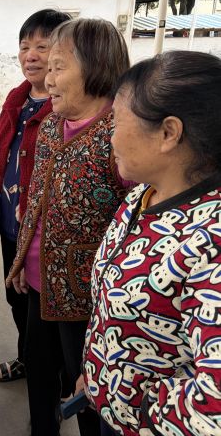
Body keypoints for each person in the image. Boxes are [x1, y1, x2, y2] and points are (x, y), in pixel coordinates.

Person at [81, 51, 221, 436]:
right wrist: (97, 374)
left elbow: (213, 409)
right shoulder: (143, 196)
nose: (109, 137)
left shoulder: (210, 242)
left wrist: (136, 405)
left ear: (168, 133)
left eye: (116, 122)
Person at [7, 18, 131, 436]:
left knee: (89, 390)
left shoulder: (121, 136)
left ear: (97, 68)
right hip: (38, 283)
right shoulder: (50, 126)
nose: (48, 78)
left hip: (87, 300)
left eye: (59, 67)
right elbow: (36, 202)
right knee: (39, 369)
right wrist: (21, 259)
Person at [0, 9, 71, 384]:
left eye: (41, 46)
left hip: (39, 234)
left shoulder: (63, 109)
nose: (31, 55)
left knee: (43, 310)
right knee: (16, 299)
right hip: (10, 224)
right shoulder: (16, 100)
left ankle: (52, 378)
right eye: (24, 47)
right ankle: (27, 359)